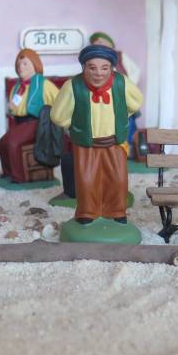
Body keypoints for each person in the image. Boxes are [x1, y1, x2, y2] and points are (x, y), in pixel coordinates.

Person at [51, 45, 143, 226]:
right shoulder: (73, 86)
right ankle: (87, 212)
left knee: (117, 179)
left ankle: (116, 211)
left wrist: (121, 117)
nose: (98, 73)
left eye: (104, 68)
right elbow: (58, 115)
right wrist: (76, 126)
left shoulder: (121, 83)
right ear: (84, 68)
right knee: (86, 179)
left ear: (111, 68)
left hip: (114, 142)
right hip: (86, 144)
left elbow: (136, 102)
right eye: (92, 67)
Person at [0, 48, 59, 183]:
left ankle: (18, 178)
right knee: (1, 144)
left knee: (13, 143)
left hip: (36, 123)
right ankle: (7, 173)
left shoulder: (44, 84)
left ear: (35, 65)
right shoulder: (17, 87)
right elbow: (14, 108)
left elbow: (60, 102)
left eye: (25, 64)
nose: (21, 67)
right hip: (20, 123)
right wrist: (11, 109)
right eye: (19, 65)